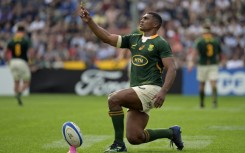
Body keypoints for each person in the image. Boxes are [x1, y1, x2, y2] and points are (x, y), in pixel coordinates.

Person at [76, 6, 184, 153]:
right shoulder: (134, 39)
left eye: (146, 18)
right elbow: (107, 38)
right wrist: (89, 22)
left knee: (114, 99)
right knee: (135, 137)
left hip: (151, 89)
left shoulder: (160, 43)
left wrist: (163, 92)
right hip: (138, 90)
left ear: (155, 25)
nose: (142, 19)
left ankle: (118, 144)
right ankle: (172, 132)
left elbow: (171, 68)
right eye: (142, 17)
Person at [191, 25, 222, 108]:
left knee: (202, 84)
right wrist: (220, 61)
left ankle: (202, 103)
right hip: (213, 64)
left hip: (202, 64)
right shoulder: (215, 41)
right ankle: (214, 102)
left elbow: (194, 53)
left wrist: (191, 63)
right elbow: (220, 54)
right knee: (213, 84)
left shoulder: (199, 41)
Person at [5, 25, 32, 106]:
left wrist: (8, 61)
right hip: (22, 61)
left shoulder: (12, 40)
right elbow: (31, 51)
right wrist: (30, 61)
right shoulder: (25, 40)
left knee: (16, 81)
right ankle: (19, 92)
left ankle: (18, 100)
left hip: (12, 61)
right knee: (26, 82)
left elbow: (6, 52)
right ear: (23, 31)